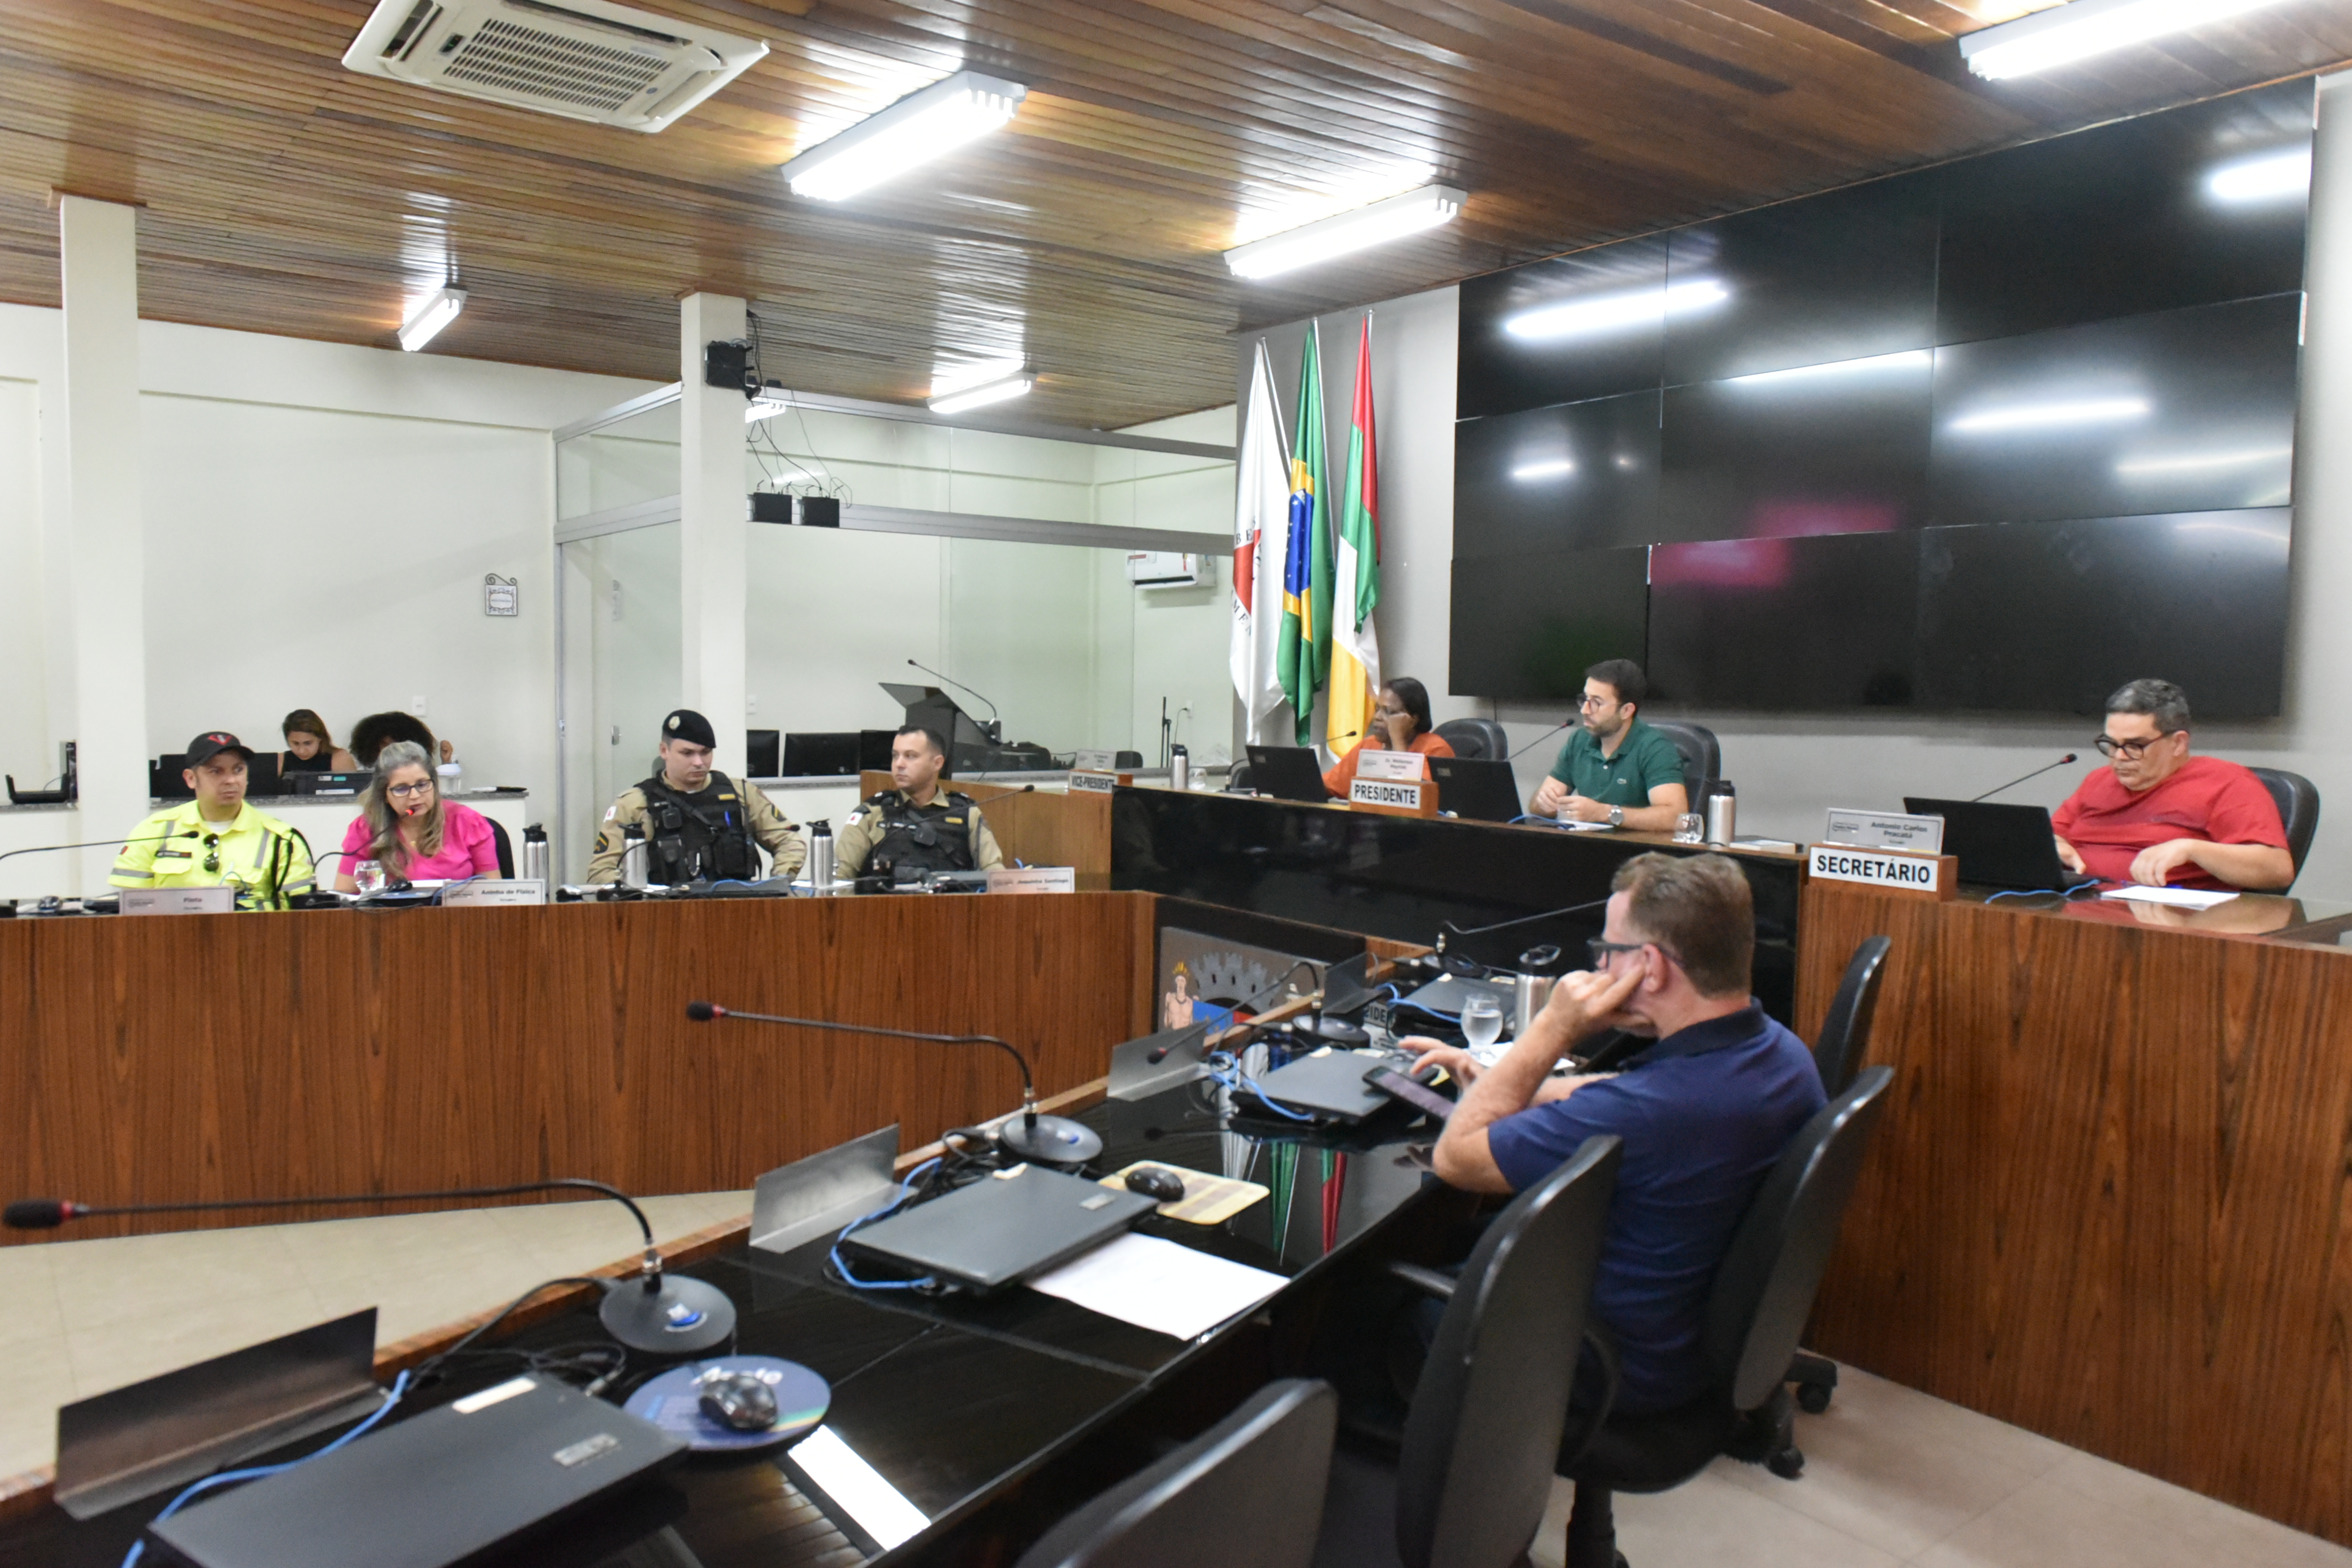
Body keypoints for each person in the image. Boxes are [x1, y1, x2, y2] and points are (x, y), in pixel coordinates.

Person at [1407, 852, 1824, 1415]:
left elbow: (1456, 1159)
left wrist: (1552, 1028)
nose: (1601, 964)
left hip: (1609, 1365)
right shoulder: (1779, 1053)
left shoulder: (1653, 1111)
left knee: (1373, 1304)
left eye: (1609, 950)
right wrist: (1505, 1082)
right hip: (1684, 1337)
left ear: (1650, 966)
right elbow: (1627, 1088)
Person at [2053, 678, 2290, 891]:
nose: (2119, 757)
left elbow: (2277, 870)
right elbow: (2053, 835)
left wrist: (2192, 849)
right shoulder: (2098, 780)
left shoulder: (2227, 783)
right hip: (2079, 903)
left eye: (2135, 746)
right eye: (2112, 744)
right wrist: (2055, 847)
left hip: (2166, 915)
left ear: (2178, 743)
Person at [586, 708, 805, 885]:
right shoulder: (635, 803)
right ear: (664, 751)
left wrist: (778, 883)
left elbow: (789, 841)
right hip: (664, 912)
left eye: (706, 752)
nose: (699, 762)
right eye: (687, 753)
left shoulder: (740, 793)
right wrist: (638, 897)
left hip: (736, 908)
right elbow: (601, 871)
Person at [110, 731, 315, 910]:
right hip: (170, 939)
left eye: (238, 770)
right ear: (191, 778)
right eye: (216, 772)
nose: (231, 780)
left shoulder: (282, 839)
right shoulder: (153, 832)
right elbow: (130, 911)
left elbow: (304, 915)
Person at [1530, 658, 1690, 830]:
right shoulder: (1580, 740)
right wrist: (1545, 803)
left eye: (1597, 703)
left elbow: (1676, 818)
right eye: (1584, 699)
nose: (1584, 710)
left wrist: (1604, 813)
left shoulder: (1655, 748)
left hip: (1635, 846)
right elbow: (1535, 807)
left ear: (1626, 711)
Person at [835, 725, 1006, 881]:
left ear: (937, 763)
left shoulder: (967, 814)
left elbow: (995, 876)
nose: (899, 764)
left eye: (910, 756)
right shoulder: (871, 814)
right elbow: (840, 881)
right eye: (895, 756)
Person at [328, 741, 501, 891]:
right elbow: (344, 895)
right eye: (401, 788)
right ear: (384, 795)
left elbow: (492, 894)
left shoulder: (467, 822)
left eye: (422, 784)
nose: (415, 796)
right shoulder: (366, 829)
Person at [1321, 677, 1455, 798]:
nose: (1377, 717)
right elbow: (1330, 785)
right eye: (1377, 709)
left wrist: (1398, 740)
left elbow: (1412, 797)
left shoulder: (1436, 749)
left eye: (1389, 711)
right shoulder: (1370, 745)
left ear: (1413, 720)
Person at [348, 711, 438, 773]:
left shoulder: (420, 771)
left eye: (396, 746)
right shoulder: (361, 771)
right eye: (385, 745)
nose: (391, 751)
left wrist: (445, 762)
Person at [279, 709, 357, 774]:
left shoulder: (339, 759)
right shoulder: (280, 761)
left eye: (308, 743)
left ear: (320, 738)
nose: (302, 751)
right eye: (296, 744)